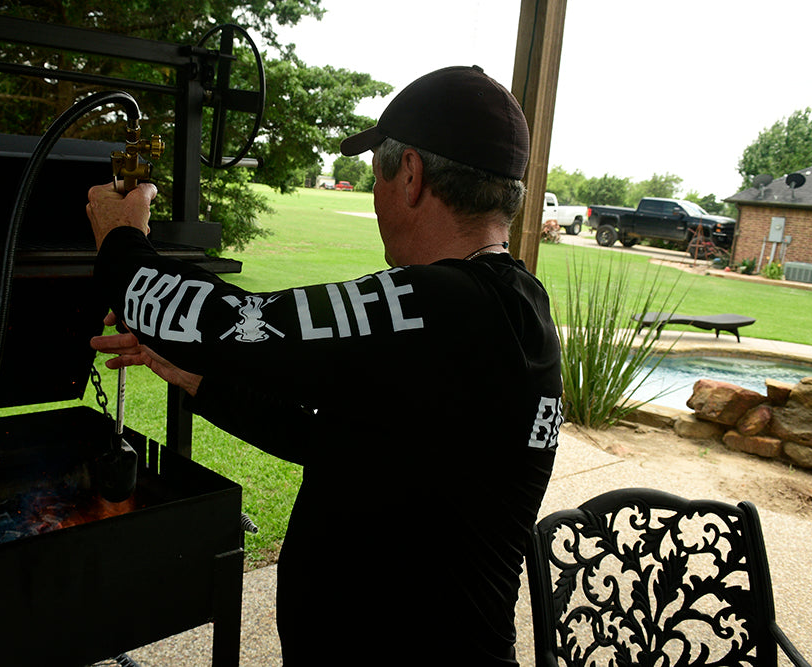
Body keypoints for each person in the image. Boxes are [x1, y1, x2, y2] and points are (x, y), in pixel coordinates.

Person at [88, 65, 563, 665]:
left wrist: (122, 242)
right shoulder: (507, 309)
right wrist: (198, 377)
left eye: (378, 175)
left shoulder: (444, 306)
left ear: (411, 174)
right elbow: (337, 444)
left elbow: (238, 321)